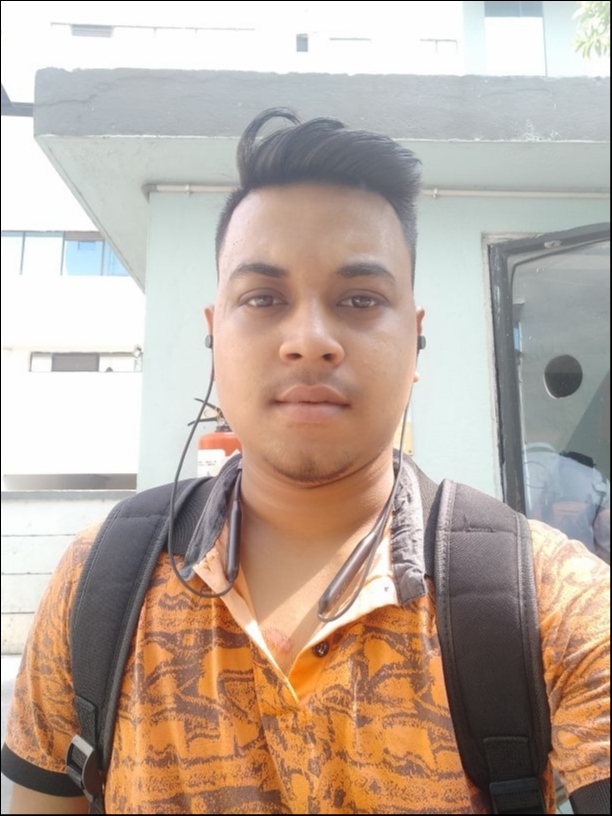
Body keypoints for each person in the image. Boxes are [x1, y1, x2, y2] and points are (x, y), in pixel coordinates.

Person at [2, 108, 609, 814]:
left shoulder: (547, 602)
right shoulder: (99, 584)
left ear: (414, 340)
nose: (311, 339)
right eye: (263, 298)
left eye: (360, 299)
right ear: (214, 334)